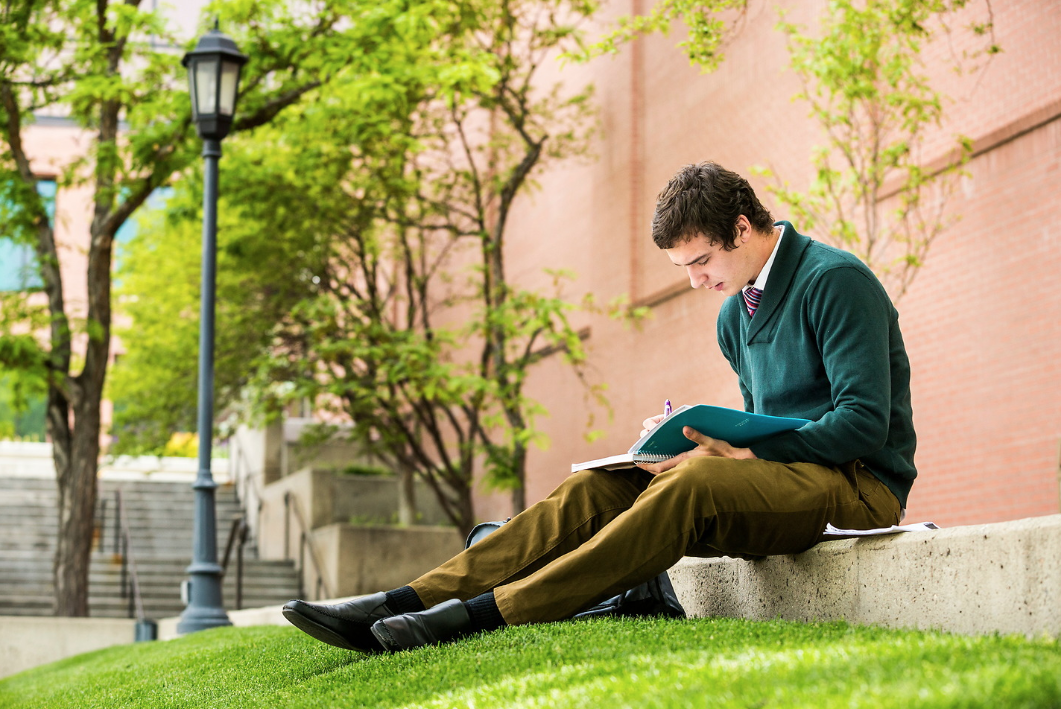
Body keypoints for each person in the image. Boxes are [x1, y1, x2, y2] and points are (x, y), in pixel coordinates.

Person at [282, 161, 917, 653]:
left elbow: (861, 423)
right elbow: (768, 422)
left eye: (700, 261)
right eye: (682, 267)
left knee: (695, 479)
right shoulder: (735, 315)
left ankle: (476, 616)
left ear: (743, 229)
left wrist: (739, 452)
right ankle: (401, 599)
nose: (695, 280)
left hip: (858, 490)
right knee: (601, 483)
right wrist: (696, 439)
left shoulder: (833, 281)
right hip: (786, 484)